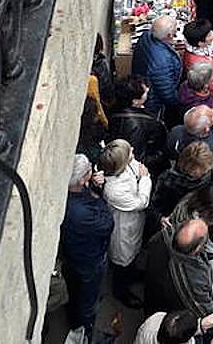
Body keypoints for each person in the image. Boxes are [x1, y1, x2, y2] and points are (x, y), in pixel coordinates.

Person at [60, 154, 113, 338]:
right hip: (87, 262)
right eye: (90, 169)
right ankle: (83, 327)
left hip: (71, 255)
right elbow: (107, 223)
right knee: (86, 299)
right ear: (83, 179)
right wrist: (98, 192)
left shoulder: (67, 197)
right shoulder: (82, 213)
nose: (93, 169)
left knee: (76, 291)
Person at [98, 139, 153, 307]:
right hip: (123, 228)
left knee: (132, 256)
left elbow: (136, 166)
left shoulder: (124, 163)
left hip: (133, 223)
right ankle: (120, 291)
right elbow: (141, 202)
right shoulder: (113, 189)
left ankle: (132, 273)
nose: (133, 152)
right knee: (122, 262)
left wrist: (140, 175)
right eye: (130, 153)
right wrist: (144, 179)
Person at [132, 14, 183, 116]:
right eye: (174, 32)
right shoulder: (162, 64)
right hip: (152, 100)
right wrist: (178, 103)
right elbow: (167, 93)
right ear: (169, 35)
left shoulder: (146, 36)